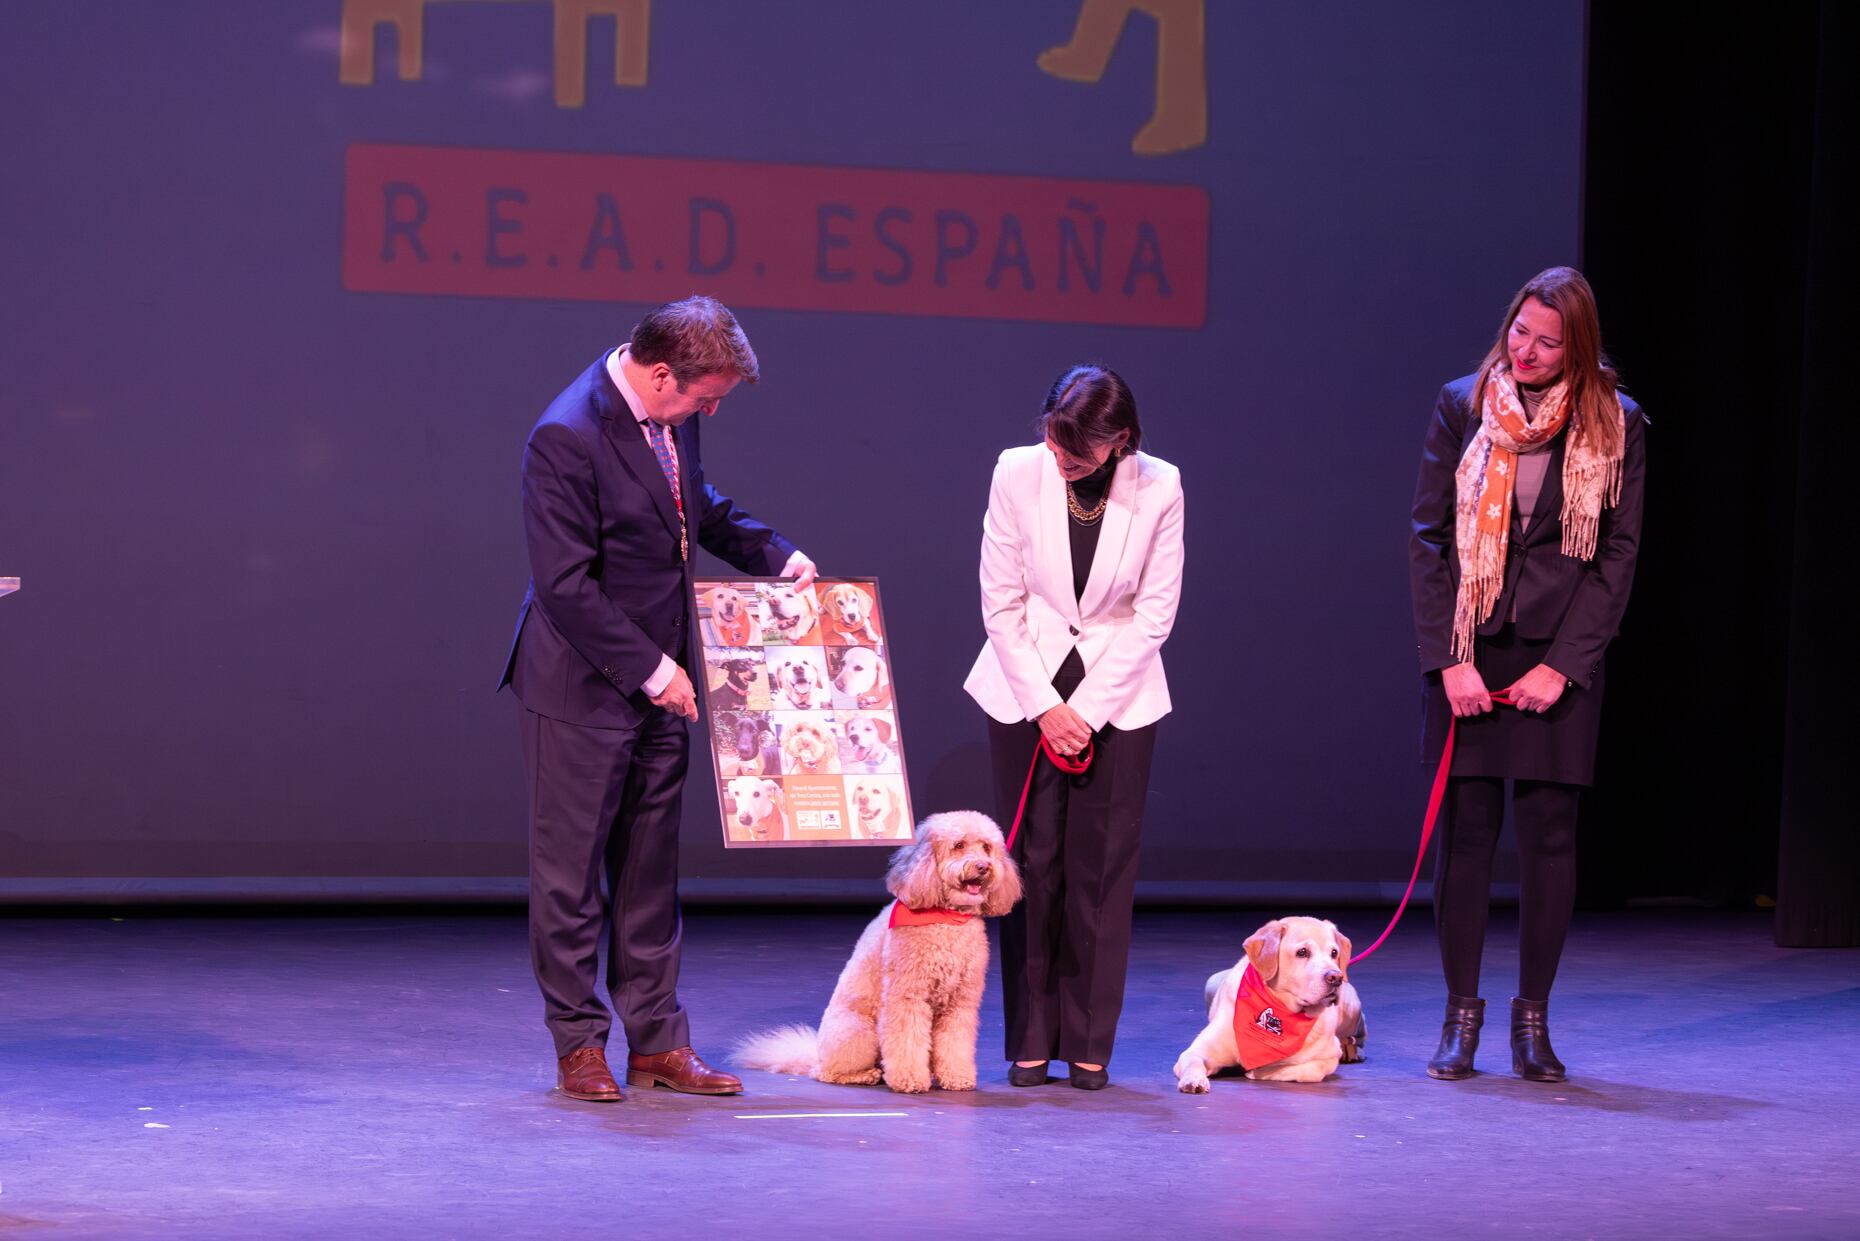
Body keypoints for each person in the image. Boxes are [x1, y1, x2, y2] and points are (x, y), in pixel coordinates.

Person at [498, 296, 815, 1102]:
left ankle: (657, 1041)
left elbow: (691, 505)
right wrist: (652, 668)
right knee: (571, 879)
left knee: (649, 872)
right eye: (705, 396)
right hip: (583, 687)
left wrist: (773, 555)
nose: (709, 410)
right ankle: (579, 1044)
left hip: (663, 686)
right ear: (663, 371)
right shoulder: (565, 435)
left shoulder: (673, 415)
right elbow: (564, 585)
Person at [1409, 266, 1647, 1083]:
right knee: (1466, 836)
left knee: (1549, 838)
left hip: (1557, 660)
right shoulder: (1462, 402)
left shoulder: (1618, 423)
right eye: (1521, 332)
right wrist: (1452, 659)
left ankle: (1533, 1024)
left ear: (1577, 346)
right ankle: (1460, 1020)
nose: (1529, 350)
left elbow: (1617, 558)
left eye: (1549, 341)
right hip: (1471, 649)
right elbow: (1429, 539)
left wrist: (1564, 667)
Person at [964, 364, 1185, 1090]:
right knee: (1029, 866)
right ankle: (1029, 1037)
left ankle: (1089, 1041)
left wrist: (1084, 712)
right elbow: (999, 601)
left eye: (1077, 452)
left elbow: (1154, 613)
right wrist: (1046, 708)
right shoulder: (1015, 471)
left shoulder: (1161, 485)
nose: (1060, 460)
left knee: (1100, 872)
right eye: (1054, 443)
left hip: (1119, 694)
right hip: (1024, 686)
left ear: (1119, 441)